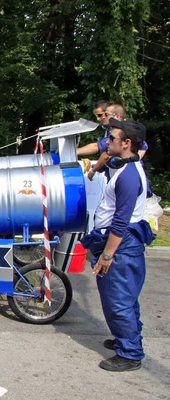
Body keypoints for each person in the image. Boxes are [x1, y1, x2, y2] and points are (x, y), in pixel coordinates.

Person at [81, 118, 155, 372]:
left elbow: (120, 222)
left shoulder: (129, 177)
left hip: (120, 247)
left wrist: (107, 255)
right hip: (124, 245)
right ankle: (127, 338)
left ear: (126, 143)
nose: (106, 142)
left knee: (118, 301)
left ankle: (130, 353)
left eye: (111, 139)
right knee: (125, 299)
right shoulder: (126, 166)